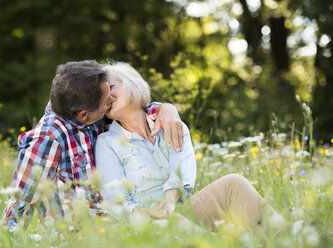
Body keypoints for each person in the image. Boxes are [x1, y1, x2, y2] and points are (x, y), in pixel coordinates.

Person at [95, 62, 282, 228]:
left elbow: (182, 169)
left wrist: (169, 204)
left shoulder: (172, 124)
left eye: (110, 87)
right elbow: (114, 200)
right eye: (101, 96)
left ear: (132, 84)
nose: (107, 97)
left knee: (234, 183)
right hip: (147, 226)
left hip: (180, 210)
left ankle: (288, 237)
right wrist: (150, 214)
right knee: (178, 224)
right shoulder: (107, 143)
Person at [2, 60, 184, 228]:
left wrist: (165, 109)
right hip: (78, 234)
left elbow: (133, 110)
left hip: (118, 223)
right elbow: (21, 200)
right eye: (107, 103)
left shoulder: (87, 102)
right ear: (84, 115)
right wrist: (2, 239)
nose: (111, 101)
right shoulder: (48, 139)